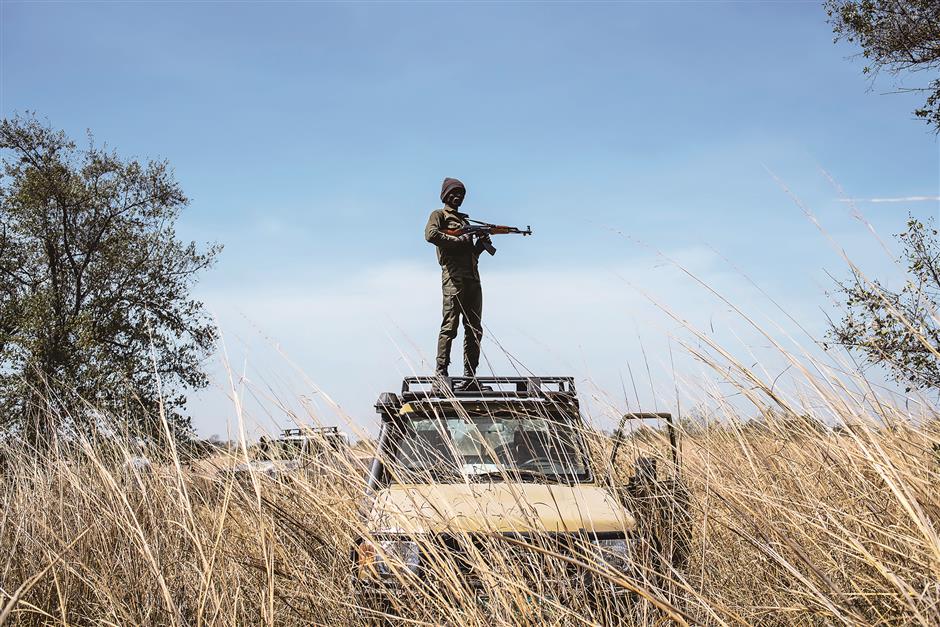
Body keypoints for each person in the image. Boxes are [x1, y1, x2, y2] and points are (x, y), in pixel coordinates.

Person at [424, 177, 491, 380]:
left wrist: (481, 244)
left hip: (472, 278)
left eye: (461, 194)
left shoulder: (465, 222)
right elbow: (431, 235)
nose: (458, 197)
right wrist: (456, 239)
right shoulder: (439, 215)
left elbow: (470, 254)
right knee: (450, 325)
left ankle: (470, 377)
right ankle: (441, 373)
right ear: (445, 195)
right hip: (454, 278)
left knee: (474, 328)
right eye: (453, 193)